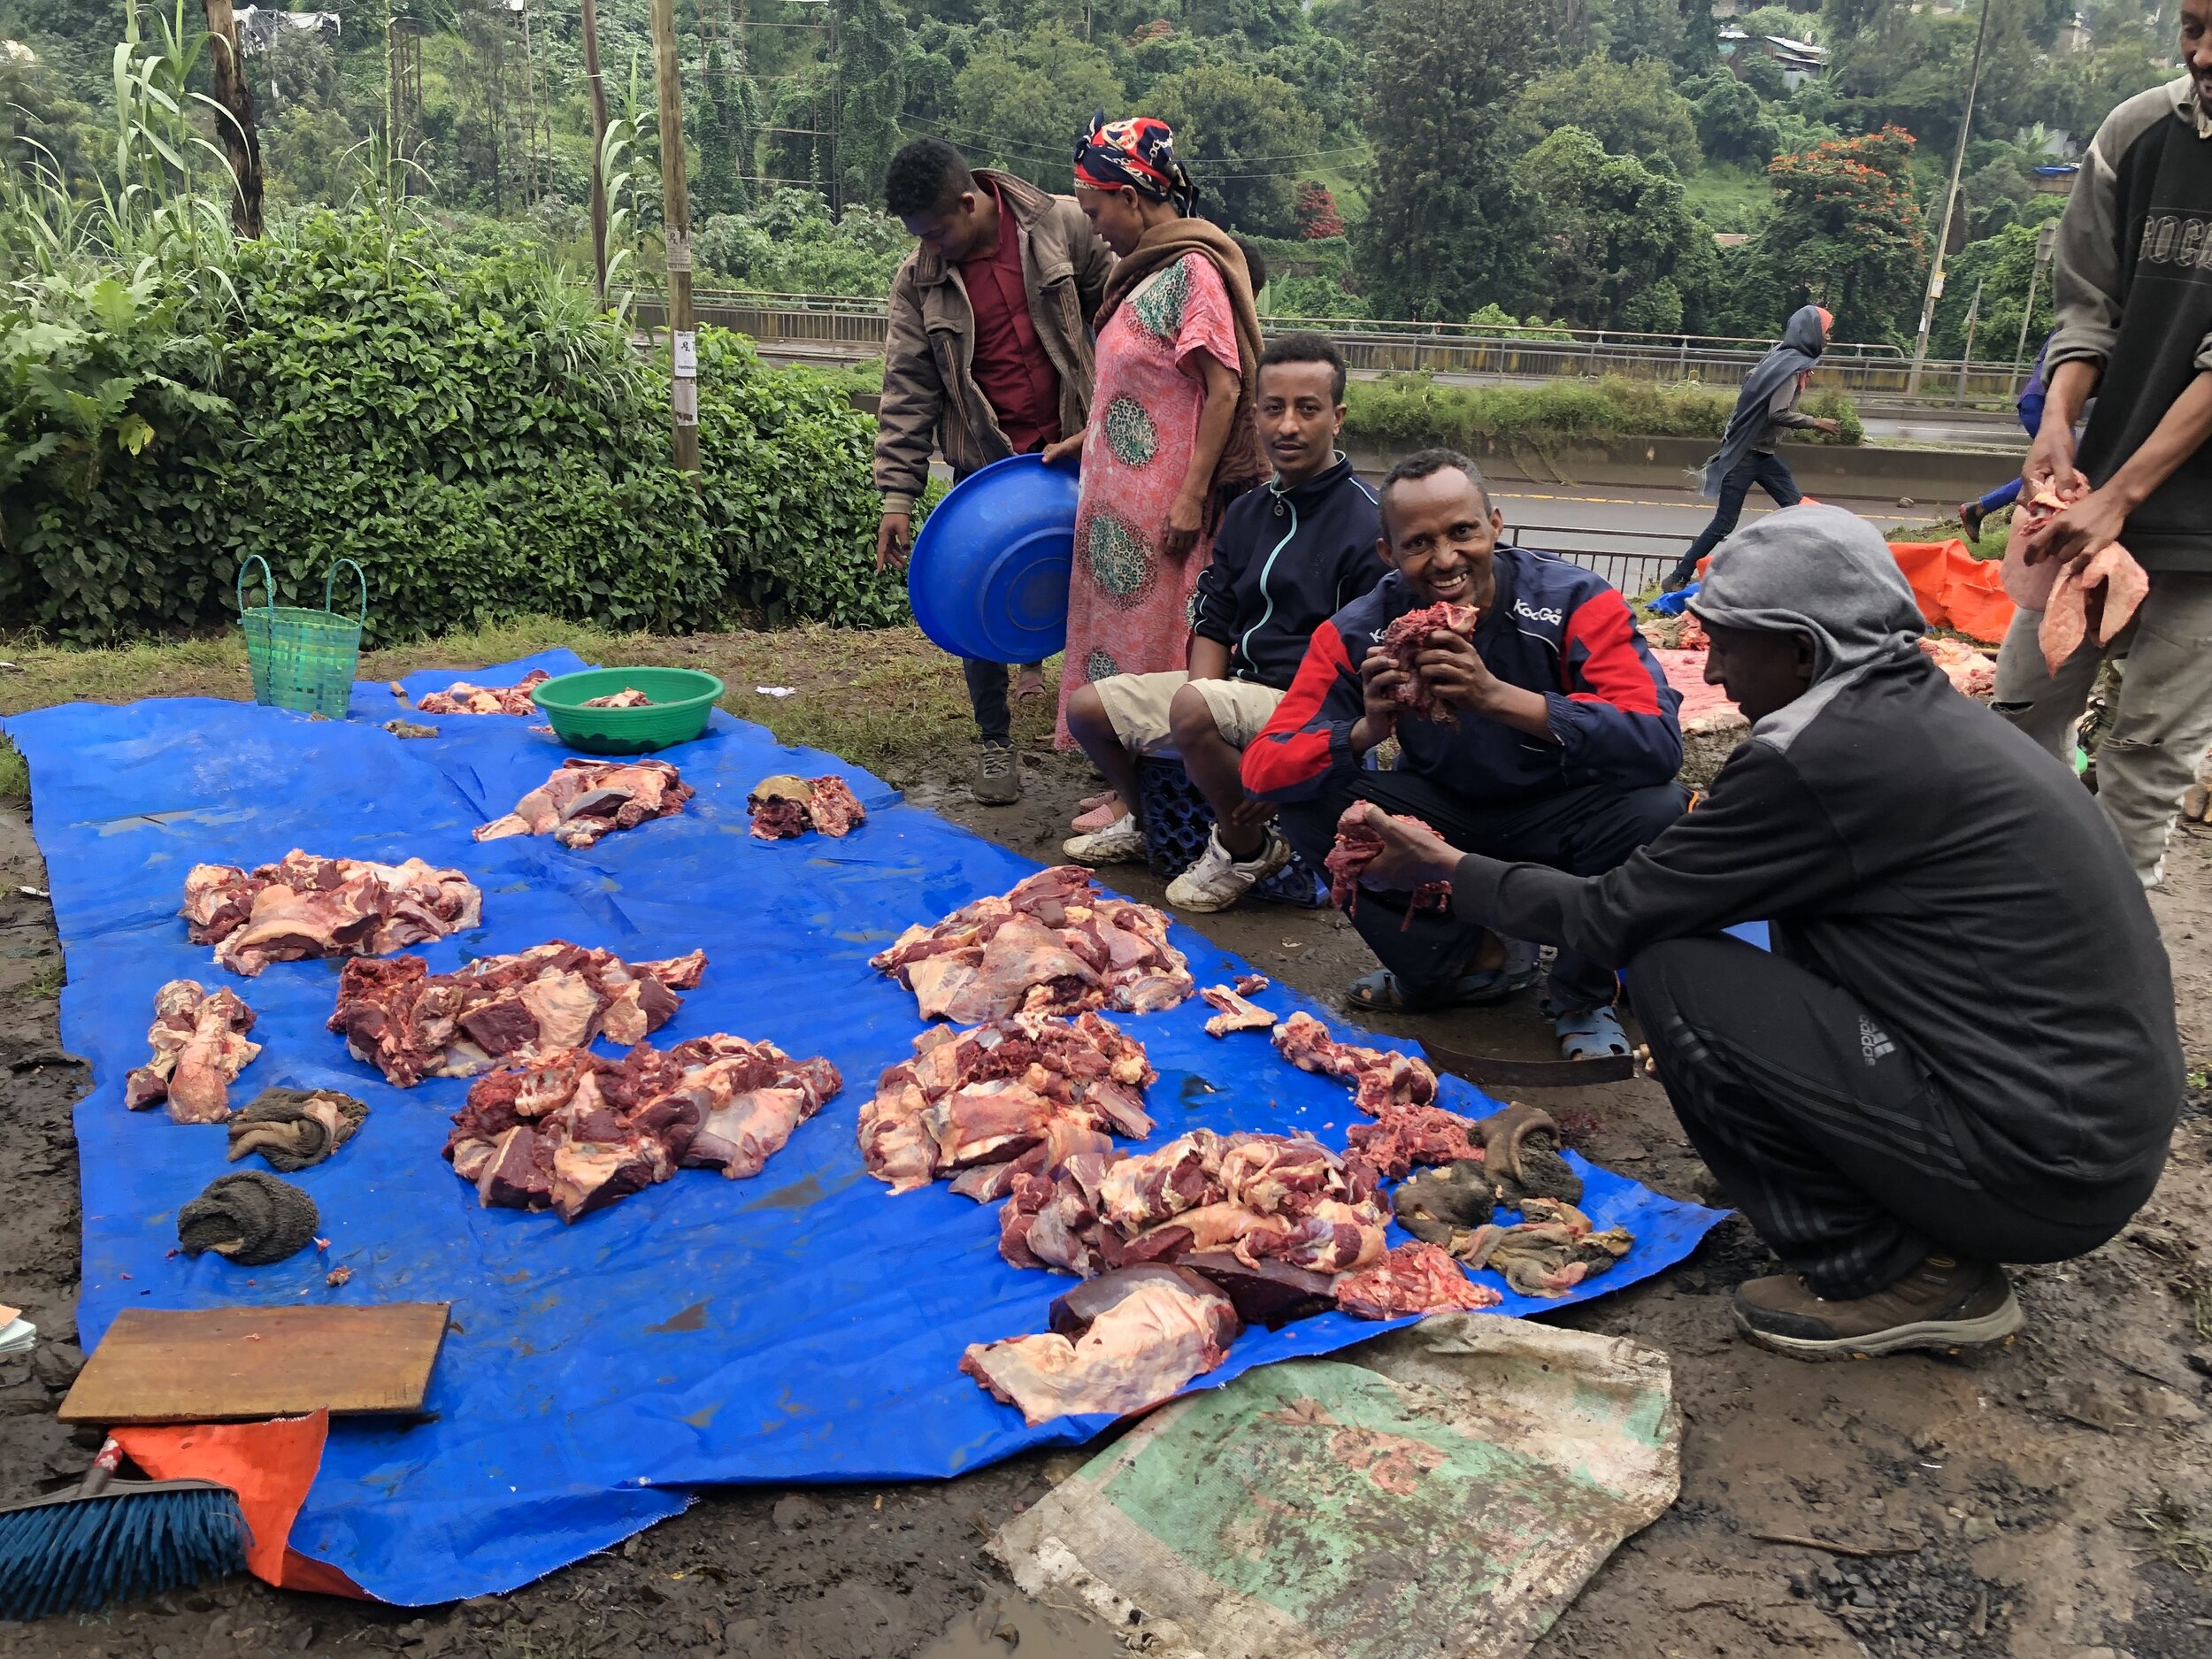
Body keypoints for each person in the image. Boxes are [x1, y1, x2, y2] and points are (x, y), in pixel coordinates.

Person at [1347, 505, 2180, 1360]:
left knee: (1673, 963)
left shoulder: (1820, 757)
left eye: (1726, 643)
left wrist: (1448, 866)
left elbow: (1612, 915)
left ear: (1803, 651)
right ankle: (1871, 1181)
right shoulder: (1910, 713)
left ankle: (1897, 1268)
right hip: (2076, 1134)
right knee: (1741, 938)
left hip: (2041, 1167)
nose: (1710, 666)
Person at [1242, 449, 1685, 1056]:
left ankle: (1583, 990)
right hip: (1444, 812)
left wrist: (1500, 698)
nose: (1446, 559)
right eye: (1419, 543)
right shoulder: (1359, 629)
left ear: (1495, 526)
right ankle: (1461, 964)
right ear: (1387, 554)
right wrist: (1364, 731)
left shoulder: (1573, 600)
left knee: (1656, 807)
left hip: (1562, 808)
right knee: (1313, 803)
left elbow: (1657, 740)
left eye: (1463, 532)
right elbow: (1264, 765)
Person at [1986, 0, 2212, 886]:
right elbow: (2089, 305)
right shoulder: (2137, 132)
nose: (2202, 52)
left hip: (2199, 538)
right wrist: (2056, 422)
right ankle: (2000, 919)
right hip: (2088, 509)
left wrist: (2122, 498)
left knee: (2150, 756)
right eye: (2192, 25)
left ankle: (2108, 976)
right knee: (2012, 720)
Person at [1060, 333, 1385, 911]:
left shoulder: (1368, 521)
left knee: (1197, 707)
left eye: (1307, 409)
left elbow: (1363, 668)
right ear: (1255, 412)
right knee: (1088, 709)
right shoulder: (1249, 510)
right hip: (1236, 690)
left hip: (1314, 707)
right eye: (1273, 407)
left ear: (1337, 418)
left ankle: (1244, 846)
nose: (1287, 425)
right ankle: (1149, 821)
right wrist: (1201, 696)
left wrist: (1271, 748)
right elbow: (1213, 618)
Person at [875, 137, 1115, 805]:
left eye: (939, 228)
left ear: (969, 201)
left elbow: (1122, 308)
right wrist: (898, 493)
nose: (933, 244)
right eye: (920, 235)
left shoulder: (1060, 224)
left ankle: (1108, 739)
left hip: (1077, 456)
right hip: (988, 468)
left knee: (1102, 597)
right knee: (973, 597)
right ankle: (994, 743)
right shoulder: (918, 279)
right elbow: (907, 389)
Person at [1039, 115, 1267, 749]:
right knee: (1120, 642)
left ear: (1131, 199)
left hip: (1163, 517)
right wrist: (1089, 438)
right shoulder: (1145, 271)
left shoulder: (1192, 272)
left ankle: (1153, 777)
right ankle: (1123, 774)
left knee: (1156, 645)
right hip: (1118, 518)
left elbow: (1224, 388)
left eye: (1096, 210)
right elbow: (1148, 385)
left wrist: (1192, 495)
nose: (1093, 226)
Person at [1661, 305, 1842, 592]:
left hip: (1763, 455)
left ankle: (1812, 572)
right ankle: (1678, 577)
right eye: (1826, 331)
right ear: (1811, 333)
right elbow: (1777, 413)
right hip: (1745, 456)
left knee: (1798, 510)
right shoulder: (1790, 368)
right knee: (1724, 524)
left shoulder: (1780, 358)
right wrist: (1816, 422)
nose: (1829, 338)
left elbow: (1751, 379)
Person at [1956, 340, 2049, 543]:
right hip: (2043, 405)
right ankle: (1982, 509)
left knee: (2061, 466)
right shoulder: (2088, 323)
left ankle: (1981, 508)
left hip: (2037, 402)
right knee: (2064, 466)